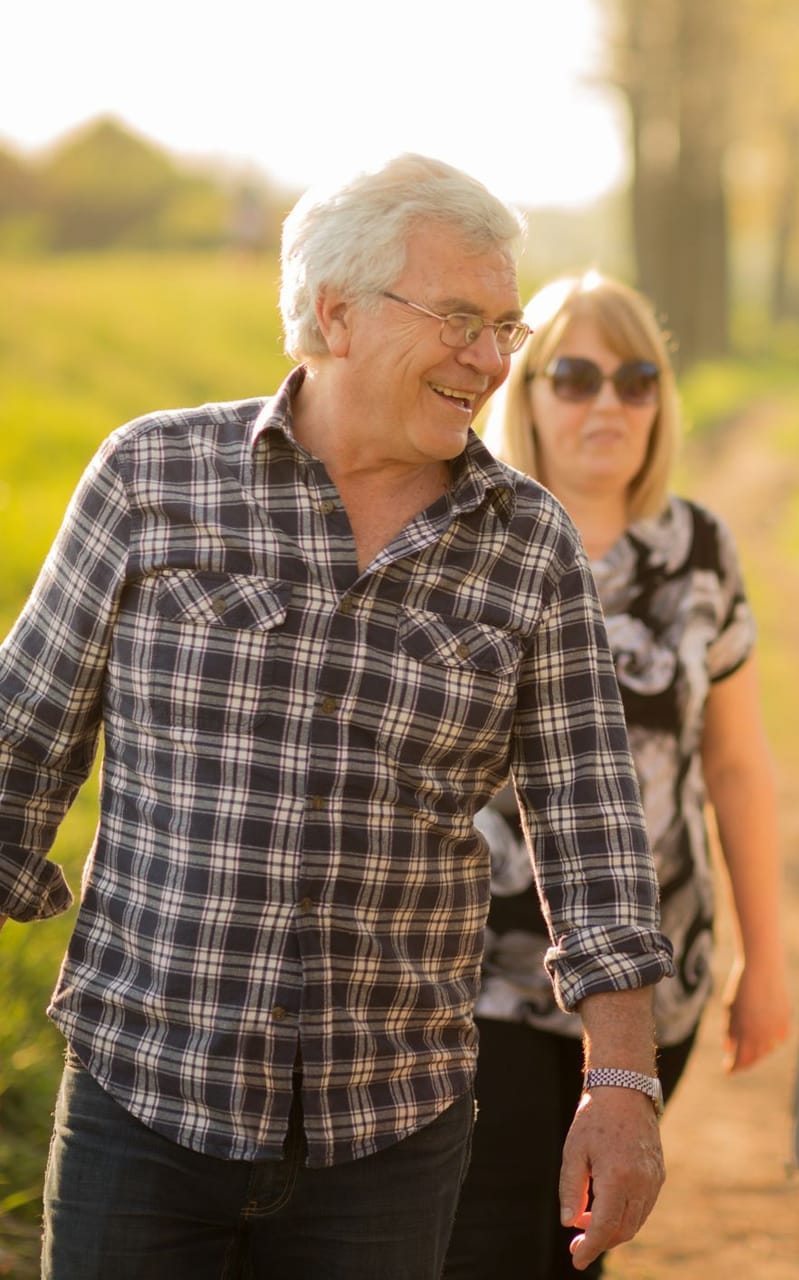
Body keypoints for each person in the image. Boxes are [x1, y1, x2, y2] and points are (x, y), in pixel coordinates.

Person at [0, 155, 673, 1278]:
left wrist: (623, 1080)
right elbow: (19, 746)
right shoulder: (154, 476)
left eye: (505, 324)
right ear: (334, 312)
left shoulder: (528, 541)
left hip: (387, 1130)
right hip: (141, 1100)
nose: (494, 358)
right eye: (461, 318)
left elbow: (593, 829)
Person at [445, 271, 789, 1278]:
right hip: (481, 971)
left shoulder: (701, 549)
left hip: (655, 971)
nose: (609, 403)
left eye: (637, 379)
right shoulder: (465, 536)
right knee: (488, 1238)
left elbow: (733, 761)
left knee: (581, 1244)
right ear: (527, 391)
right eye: (577, 376)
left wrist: (761, 957)